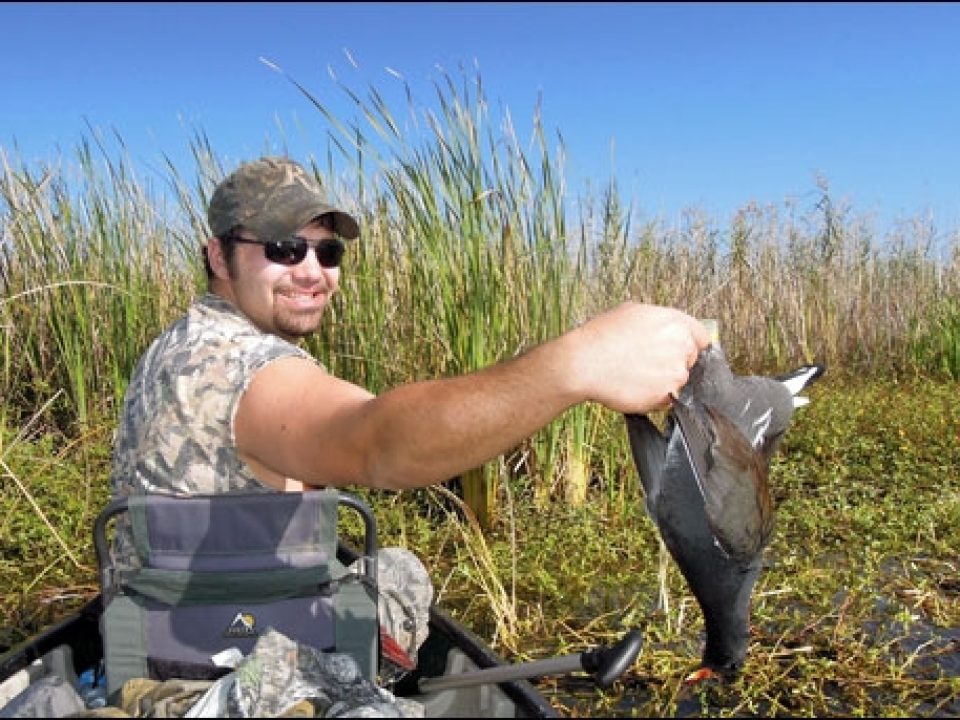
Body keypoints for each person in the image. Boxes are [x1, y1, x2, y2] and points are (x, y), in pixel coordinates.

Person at [108, 155, 710, 678]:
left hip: (158, 641)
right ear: (218, 254)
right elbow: (378, 443)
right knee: (399, 573)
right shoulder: (244, 370)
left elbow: (352, 410)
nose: (313, 271)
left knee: (383, 567)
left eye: (328, 250)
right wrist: (578, 365)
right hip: (237, 666)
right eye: (284, 248)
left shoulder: (182, 344)